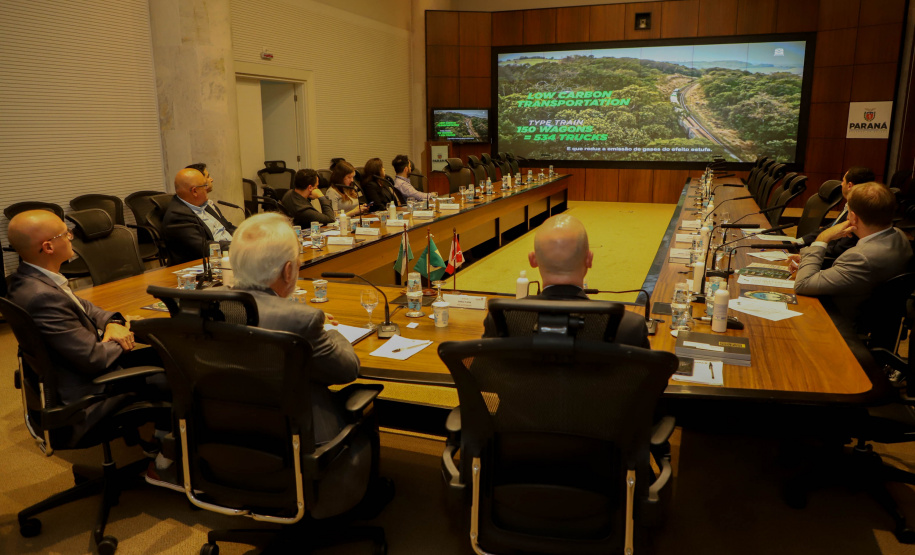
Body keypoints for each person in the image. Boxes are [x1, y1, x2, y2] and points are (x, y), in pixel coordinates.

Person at [5, 210, 168, 447]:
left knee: (161, 355)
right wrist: (124, 336)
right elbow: (93, 358)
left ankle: (151, 441)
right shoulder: (42, 297)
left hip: (73, 372)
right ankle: (164, 458)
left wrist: (113, 323)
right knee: (171, 374)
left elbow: (87, 308)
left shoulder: (30, 279)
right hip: (85, 397)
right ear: (48, 247)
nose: (71, 237)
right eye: (65, 233)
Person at [230, 213, 360, 444]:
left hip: (226, 433)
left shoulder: (205, 304)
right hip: (295, 439)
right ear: (288, 270)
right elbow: (347, 370)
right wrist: (331, 331)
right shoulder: (302, 321)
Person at [482, 213, 650, 348]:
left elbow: (482, 378)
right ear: (589, 260)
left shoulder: (502, 320)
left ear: (533, 260)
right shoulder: (630, 327)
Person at [791, 182, 913, 321]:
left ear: (853, 217)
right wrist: (810, 262)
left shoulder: (860, 257)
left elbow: (803, 285)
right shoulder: (899, 235)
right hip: (876, 317)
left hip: (836, 321)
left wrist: (823, 238)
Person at [798, 166, 876, 264]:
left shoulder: (859, 214)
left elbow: (838, 250)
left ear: (850, 185)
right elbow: (831, 227)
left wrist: (808, 254)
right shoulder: (850, 205)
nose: (841, 184)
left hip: (828, 262)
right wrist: (800, 241)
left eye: (843, 181)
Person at [162, 167, 236, 265]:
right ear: (194, 191)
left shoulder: (204, 205)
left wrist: (250, 236)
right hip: (202, 266)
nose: (208, 188)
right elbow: (204, 247)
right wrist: (238, 246)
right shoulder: (177, 217)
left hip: (229, 254)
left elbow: (227, 227)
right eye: (204, 185)